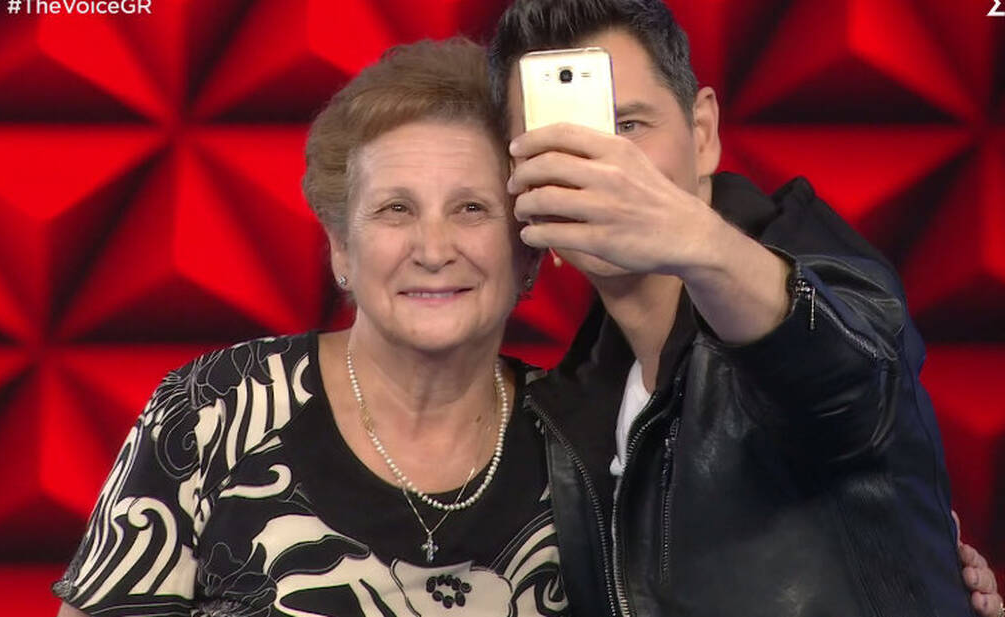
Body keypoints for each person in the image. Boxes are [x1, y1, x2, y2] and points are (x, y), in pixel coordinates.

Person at [487, 0, 1004, 616]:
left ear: (702, 132)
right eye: (557, 140)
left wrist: (698, 242)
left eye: (627, 126)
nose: (604, 167)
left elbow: (850, 383)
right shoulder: (574, 401)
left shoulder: (814, 272)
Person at [53, 38, 565, 616]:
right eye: (396, 209)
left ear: (528, 249)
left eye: (471, 208)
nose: (433, 249)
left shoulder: (579, 439)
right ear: (342, 247)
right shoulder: (217, 407)